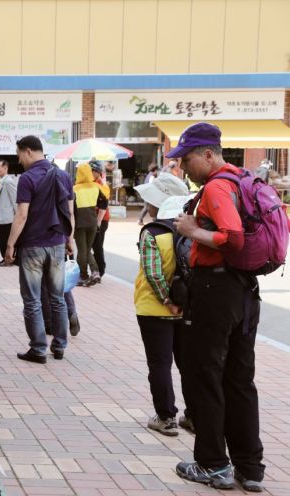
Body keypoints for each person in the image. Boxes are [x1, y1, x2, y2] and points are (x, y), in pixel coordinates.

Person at [169, 122, 265, 492]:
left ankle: (212, 464)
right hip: (244, 292)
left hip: (216, 290)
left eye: (188, 159)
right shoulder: (245, 180)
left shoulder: (217, 186)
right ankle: (250, 468)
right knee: (239, 379)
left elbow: (234, 238)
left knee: (203, 375)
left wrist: (192, 231)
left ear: (208, 154)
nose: (184, 168)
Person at [4, 135, 75, 363]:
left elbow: (22, 214)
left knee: (33, 300)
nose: (19, 160)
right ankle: (60, 346)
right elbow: (70, 213)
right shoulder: (64, 176)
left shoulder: (27, 178)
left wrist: (10, 244)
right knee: (58, 298)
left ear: (27, 151)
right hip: (57, 245)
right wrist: (69, 239)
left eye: (19, 155)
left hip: (33, 246)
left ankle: (38, 349)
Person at [133, 173, 192, 437]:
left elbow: (153, 272)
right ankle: (194, 415)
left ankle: (166, 417)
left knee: (159, 364)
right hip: (186, 308)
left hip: (154, 309)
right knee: (187, 363)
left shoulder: (153, 232)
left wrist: (166, 299)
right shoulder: (192, 229)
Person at [73, 163, 108, 286]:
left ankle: (83, 275)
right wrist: (98, 220)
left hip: (80, 224)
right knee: (87, 250)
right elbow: (104, 202)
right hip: (93, 223)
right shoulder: (96, 187)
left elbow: (71, 211)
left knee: (83, 251)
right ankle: (95, 272)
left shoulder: (75, 189)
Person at [90, 160, 110, 279]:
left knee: (97, 245)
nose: (90, 173)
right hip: (92, 219)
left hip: (101, 220)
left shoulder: (101, 185)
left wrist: (98, 223)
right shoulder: (90, 183)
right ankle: (96, 270)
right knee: (92, 245)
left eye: (92, 171)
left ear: (97, 172)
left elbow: (103, 207)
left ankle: (100, 270)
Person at [0, 159, 17, 266]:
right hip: (2, 216)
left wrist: (17, 215)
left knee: (7, 240)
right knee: (2, 239)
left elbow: (14, 199)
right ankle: (4, 258)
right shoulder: (1, 180)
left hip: (8, 217)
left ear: (5, 168)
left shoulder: (8, 181)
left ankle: (9, 259)